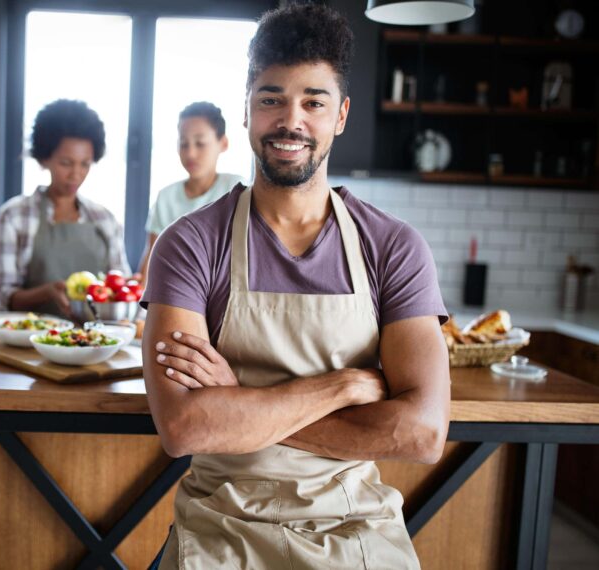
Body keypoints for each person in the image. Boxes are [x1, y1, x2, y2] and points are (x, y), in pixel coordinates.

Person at [141, 4, 450, 568]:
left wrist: (240, 407)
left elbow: (423, 434)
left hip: (355, 524)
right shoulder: (188, 245)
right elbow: (185, 427)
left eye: (314, 101)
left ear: (342, 115)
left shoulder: (395, 248)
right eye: (271, 99)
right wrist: (342, 387)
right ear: (247, 111)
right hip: (220, 523)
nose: (291, 120)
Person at [0, 99, 131, 317]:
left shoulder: (105, 220)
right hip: (32, 343)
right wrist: (45, 293)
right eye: (66, 163)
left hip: (97, 342)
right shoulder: (14, 216)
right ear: (45, 158)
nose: (76, 174)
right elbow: (1, 298)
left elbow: (119, 286)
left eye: (85, 164)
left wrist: (130, 289)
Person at [138, 102, 245, 282]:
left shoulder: (236, 188)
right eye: (183, 143)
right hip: (174, 290)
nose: (190, 153)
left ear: (223, 143)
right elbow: (151, 256)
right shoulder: (166, 197)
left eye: (200, 143)